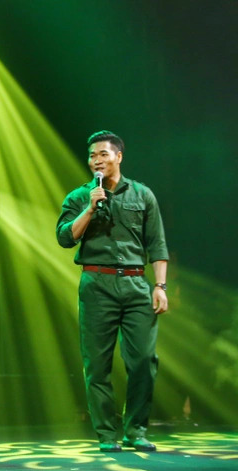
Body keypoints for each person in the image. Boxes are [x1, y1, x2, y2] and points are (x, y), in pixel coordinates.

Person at [56, 130, 169, 453]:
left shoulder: (142, 195)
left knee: (144, 360)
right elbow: (64, 238)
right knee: (97, 364)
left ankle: (136, 430)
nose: (96, 160)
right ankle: (107, 434)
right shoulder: (79, 196)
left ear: (118, 156)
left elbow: (157, 244)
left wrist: (160, 286)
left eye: (103, 154)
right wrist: (90, 209)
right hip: (97, 284)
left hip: (136, 284)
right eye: (92, 155)